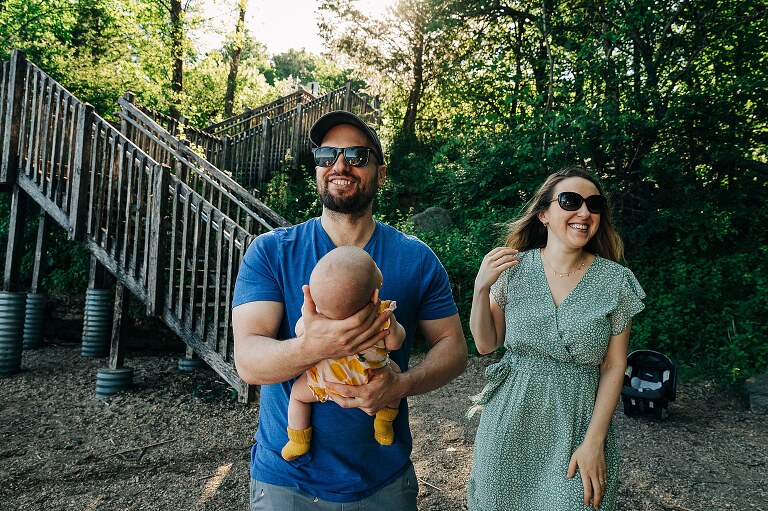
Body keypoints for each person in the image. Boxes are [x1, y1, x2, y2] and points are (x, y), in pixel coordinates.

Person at [231, 110, 467, 509]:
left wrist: (400, 385)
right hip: (286, 486)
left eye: (357, 155)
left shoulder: (416, 258)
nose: (339, 165)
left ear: (380, 171)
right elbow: (249, 361)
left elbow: (454, 349)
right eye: (326, 155)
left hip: (384, 484)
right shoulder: (271, 251)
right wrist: (313, 347)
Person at [467, 167, 645, 511]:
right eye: (570, 201)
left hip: (578, 420)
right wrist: (481, 289)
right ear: (544, 213)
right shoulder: (512, 269)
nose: (584, 212)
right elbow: (486, 344)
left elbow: (613, 365)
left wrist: (595, 441)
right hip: (511, 416)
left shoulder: (617, 282)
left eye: (594, 204)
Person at [282, 246, 405, 461]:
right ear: (375, 294)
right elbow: (394, 344)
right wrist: (391, 324)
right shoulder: (382, 314)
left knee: (298, 396)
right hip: (369, 379)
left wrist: (309, 317)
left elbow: (299, 332)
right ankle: (384, 422)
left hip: (324, 381)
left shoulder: (316, 318)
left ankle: (298, 440)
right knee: (395, 377)